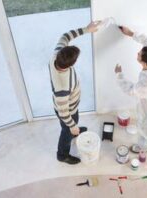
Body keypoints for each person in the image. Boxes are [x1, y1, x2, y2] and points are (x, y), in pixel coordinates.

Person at [49, 21, 100, 164]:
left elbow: (65, 36)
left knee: (69, 126)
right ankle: (62, 154)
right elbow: (64, 112)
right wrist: (73, 126)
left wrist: (87, 29)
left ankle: (71, 131)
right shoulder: (62, 87)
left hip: (67, 106)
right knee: (67, 129)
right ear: (71, 65)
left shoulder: (55, 55)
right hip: (68, 110)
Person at [114, 26, 147, 153]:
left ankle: (145, 146)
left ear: (144, 63)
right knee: (146, 121)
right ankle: (145, 142)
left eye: (139, 54)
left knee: (146, 123)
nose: (137, 53)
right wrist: (130, 33)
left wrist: (119, 75)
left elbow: (131, 90)